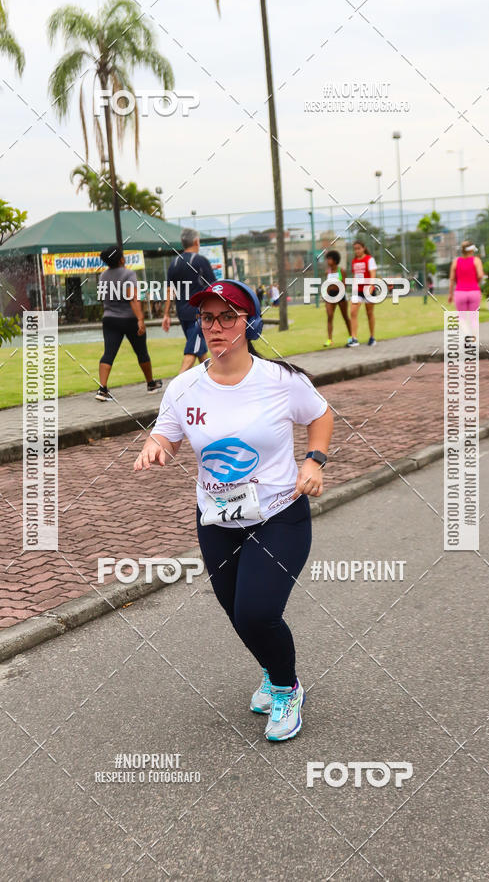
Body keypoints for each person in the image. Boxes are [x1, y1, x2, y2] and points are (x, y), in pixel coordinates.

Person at [134, 279, 333, 742]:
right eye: (207, 318)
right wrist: (155, 446)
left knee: (256, 612)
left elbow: (321, 415)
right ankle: (270, 669)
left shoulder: (282, 381)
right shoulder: (185, 387)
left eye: (228, 317)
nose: (216, 327)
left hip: (279, 514)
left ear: (249, 323)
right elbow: (166, 431)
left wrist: (314, 460)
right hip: (218, 520)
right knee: (235, 610)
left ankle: (287, 688)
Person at [96, 246, 162, 401]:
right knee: (141, 352)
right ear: (121, 259)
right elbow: (132, 298)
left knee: (108, 353)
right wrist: (140, 319)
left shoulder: (103, 276)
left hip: (109, 319)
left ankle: (102, 389)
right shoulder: (128, 273)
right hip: (129, 319)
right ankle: (151, 384)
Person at [162, 228, 216, 374]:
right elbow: (213, 288)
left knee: (200, 351)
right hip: (198, 314)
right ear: (196, 241)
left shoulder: (174, 263)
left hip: (182, 314)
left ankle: (210, 381)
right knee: (191, 352)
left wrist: (166, 314)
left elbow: (169, 291)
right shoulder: (200, 261)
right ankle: (176, 388)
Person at [347, 240, 377, 347]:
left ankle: (372, 337)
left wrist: (371, 287)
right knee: (353, 312)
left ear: (363, 248)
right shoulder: (354, 261)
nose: (357, 251)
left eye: (359, 248)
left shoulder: (370, 259)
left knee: (369, 314)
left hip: (368, 290)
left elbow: (373, 274)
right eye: (355, 249)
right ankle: (354, 338)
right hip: (358, 291)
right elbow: (355, 276)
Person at [322, 249, 353, 347]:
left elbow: (344, 284)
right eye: (327, 259)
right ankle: (329, 339)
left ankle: (351, 336)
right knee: (329, 316)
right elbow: (327, 284)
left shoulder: (341, 270)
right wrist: (325, 295)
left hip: (340, 294)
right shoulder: (327, 272)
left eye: (329, 259)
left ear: (335, 260)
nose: (328, 261)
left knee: (345, 317)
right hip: (330, 295)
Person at [448, 240, 484, 312]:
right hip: (474, 292)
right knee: (473, 319)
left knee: (462, 319)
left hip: (460, 292)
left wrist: (450, 294)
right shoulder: (476, 260)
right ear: (471, 250)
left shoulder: (455, 261)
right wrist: (476, 282)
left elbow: (452, 279)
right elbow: (480, 275)